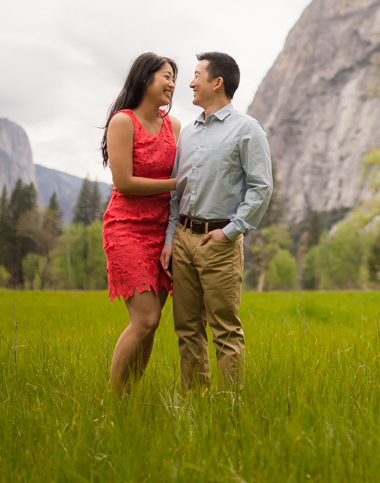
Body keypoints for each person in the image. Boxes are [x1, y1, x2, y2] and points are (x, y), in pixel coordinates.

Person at [159, 51, 272, 390]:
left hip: (219, 242)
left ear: (216, 82)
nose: (190, 83)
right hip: (183, 238)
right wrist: (169, 239)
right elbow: (178, 192)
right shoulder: (188, 133)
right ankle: (195, 404)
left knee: (224, 330)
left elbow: (261, 188)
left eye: (196, 75)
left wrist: (231, 232)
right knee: (187, 328)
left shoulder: (248, 130)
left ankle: (226, 409)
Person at [101, 52, 181, 395]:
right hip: (127, 228)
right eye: (166, 76)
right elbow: (125, 183)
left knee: (151, 324)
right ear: (145, 78)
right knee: (145, 318)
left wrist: (172, 236)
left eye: (174, 78)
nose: (173, 84)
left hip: (162, 233)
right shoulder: (122, 122)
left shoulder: (174, 126)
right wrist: (178, 183)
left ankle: (130, 399)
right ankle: (113, 401)